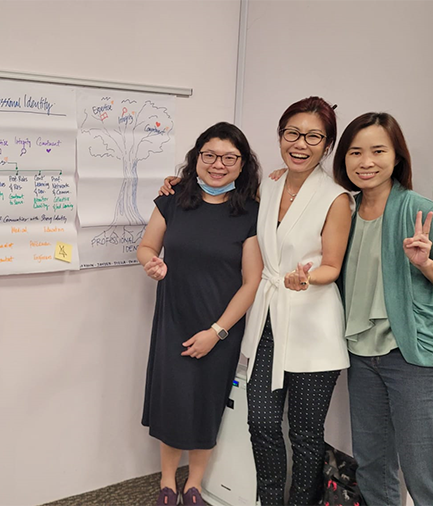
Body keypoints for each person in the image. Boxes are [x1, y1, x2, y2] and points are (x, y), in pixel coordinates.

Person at [161, 97, 353, 506]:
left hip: (313, 327)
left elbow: (332, 265)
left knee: (304, 433)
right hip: (265, 320)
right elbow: (220, 197)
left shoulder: (336, 198)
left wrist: (307, 277)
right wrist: (176, 184)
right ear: (281, 136)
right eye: (292, 133)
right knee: (261, 422)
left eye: (314, 136)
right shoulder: (269, 185)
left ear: (327, 144)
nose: (301, 144)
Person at [332, 112, 433, 506]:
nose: (366, 161)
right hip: (362, 356)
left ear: (397, 157)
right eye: (355, 152)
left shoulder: (420, 210)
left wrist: (425, 263)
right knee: (373, 468)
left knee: (423, 474)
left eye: (378, 151)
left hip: (415, 359)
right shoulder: (344, 211)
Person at [139, 122, 263, 506]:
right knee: (172, 402)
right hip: (174, 319)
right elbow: (146, 247)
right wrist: (152, 264)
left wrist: (218, 332)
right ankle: (166, 482)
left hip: (220, 326)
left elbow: (251, 281)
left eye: (229, 157)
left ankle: (194, 483)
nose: (218, 164)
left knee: (207, 405)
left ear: (242, 165)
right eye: (210, 155)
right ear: (197, 159)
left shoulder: (250, 213)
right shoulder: (173, 200)